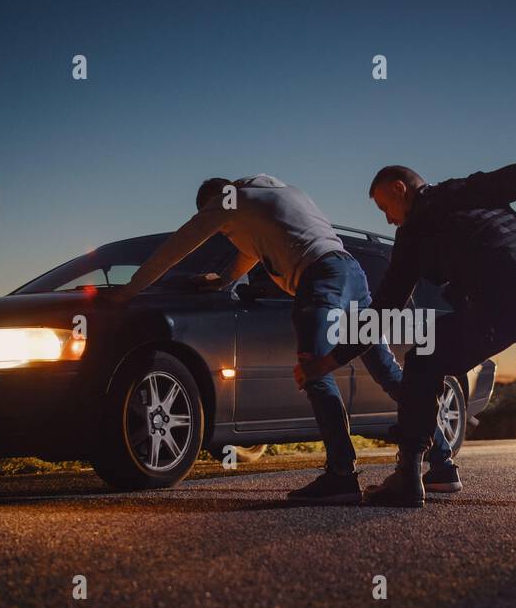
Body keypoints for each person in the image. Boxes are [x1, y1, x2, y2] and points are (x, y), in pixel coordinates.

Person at [295, 161, 516, 508]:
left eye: (385, 207)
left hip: (511, 295)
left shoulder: (417, 228)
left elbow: (383, 310)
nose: (388, 219)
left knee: (423, 359)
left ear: (400, 188)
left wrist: (327, 362)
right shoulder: (471, 189)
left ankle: (409, 475)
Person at [106, 174, 458, 503]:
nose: (223, 232)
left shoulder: (225, 200)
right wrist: (225, 280)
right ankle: (443, 465)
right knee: (386, 370)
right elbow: (252, 251)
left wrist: (131, 291)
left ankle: (341, 475)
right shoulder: (275, 195)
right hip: (352, 273)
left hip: (320, 278)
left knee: (314, 371)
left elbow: (177, 245)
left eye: (218, 225)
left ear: (213, 201)